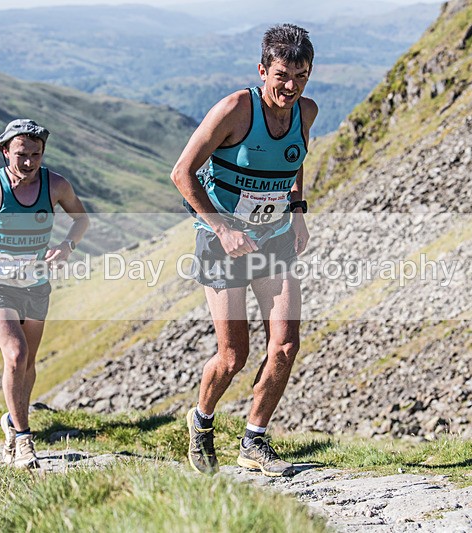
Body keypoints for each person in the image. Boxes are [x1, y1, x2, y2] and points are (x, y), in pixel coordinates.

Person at [171, 24, 317, 476]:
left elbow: (294, 160)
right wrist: (221, 228)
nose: (290, 87)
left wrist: (297, 211)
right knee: (233, 356)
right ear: (262, 70)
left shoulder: (306, 111)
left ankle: (254, 440)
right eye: (281, 76)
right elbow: (181, 173)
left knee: (285, 346)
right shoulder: (236, 109)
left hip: (274, 238)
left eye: (301, 76)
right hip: (224, 243)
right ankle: (202, 420)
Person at [0, 119, 89, 469]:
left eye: (36, 155)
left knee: (28, 364)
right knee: (15, 353)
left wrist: (67, 247)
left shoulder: (56, 185)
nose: (28, 162)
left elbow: (81, 219)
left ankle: (12, 421)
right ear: (4, 151)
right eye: (21, 155)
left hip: (35, 285)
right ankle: (24, 439)